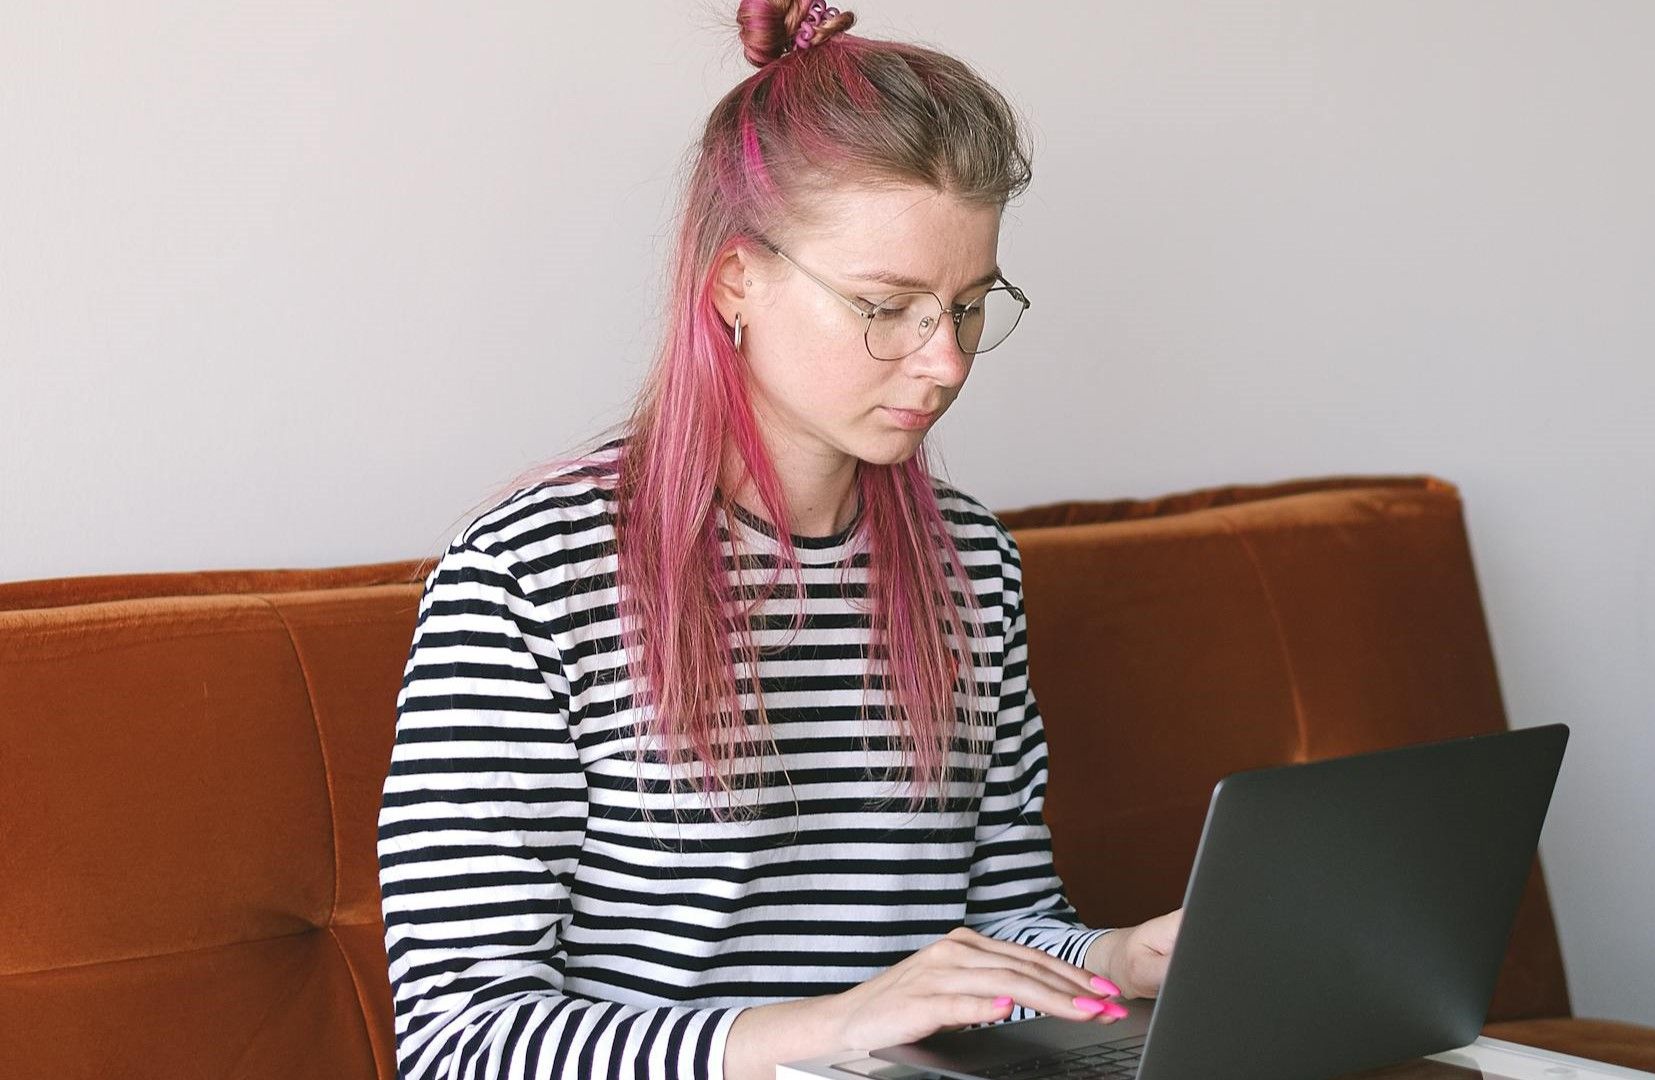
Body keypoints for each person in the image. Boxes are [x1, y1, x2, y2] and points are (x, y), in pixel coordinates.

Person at [376, 3, 1182, 1077]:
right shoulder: (529, 578)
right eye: (887, 306)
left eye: (972, 306)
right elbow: (461, 1041)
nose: (945, 362)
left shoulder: (971, 565)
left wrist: (1121, 959)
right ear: (736, 281)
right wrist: (831, 1025)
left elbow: (999, 931)